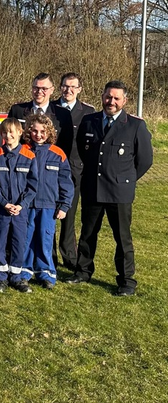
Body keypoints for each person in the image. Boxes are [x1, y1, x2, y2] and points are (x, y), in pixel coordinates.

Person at [68, 80, 153, 296]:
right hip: (93, 188)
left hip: (119, 192)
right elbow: (84, 150)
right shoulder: (90, 121)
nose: (111, 101)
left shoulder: (135, 125)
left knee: (122, 238)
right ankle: (83, 271)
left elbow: (145, 160)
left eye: (116, 98)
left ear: (125, 100)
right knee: (88, 233)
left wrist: (125, 179)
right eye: (108, 97)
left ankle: (126, 281)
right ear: (102, 97)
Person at [0, 118, 39, 293]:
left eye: (11, 132)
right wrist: (4, 203)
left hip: (20, 211)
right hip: (1, 209)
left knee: (18, 242)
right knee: (0, 242)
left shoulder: (29, 156)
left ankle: (16, 277)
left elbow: (33, 186)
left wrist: (21, 205)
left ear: (19, 133)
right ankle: (0, 278)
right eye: (4, 132)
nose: (8, 135)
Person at [23, 114, 73, 290]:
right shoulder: (23, 150)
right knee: (26, 239)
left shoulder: (58, 154)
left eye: (43, 131)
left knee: (45, 239)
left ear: (50, 132)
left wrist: (64, 205)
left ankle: (46, 273)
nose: (38, 135)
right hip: (27, 205)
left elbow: (66, 182)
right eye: (35, 131)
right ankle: (24, 272)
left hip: (49, 205)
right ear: (29, 132)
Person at [52, 72, 95, 269]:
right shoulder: (52, 108)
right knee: (50, 214)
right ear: (60, 87)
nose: (68, 90)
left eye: (72, 86)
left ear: (79, 89)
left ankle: (69, 255)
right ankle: (49, 255)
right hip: (51, 169)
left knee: (69, 215)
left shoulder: (88, 112)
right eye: (65, 86)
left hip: (75, 170)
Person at [8, 73, 72, 154]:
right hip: (21, 158)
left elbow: (66, 145)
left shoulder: (63, 114)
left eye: (44, 89)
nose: (39, 92)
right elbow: (8, 136)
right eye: (36, 88)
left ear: (52, 90)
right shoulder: (17, 110)